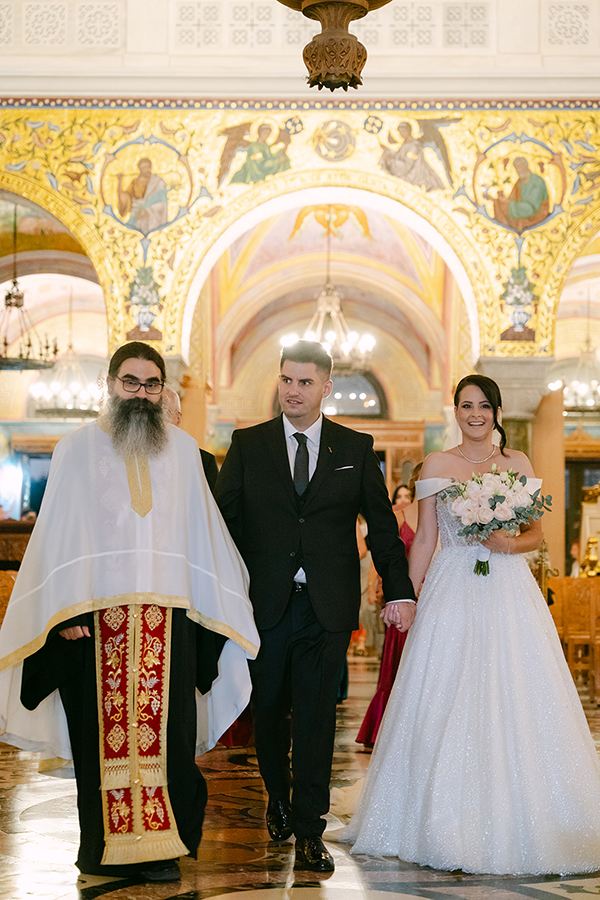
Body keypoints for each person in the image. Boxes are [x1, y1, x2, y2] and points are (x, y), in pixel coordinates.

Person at [0, 341, 259, 883]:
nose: (141, 394)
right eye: (131, 382)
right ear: (111, 384)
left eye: (152, 384)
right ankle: (102, 854)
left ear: (164, 389)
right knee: (99, 742)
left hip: (169, 624)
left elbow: (203, 536)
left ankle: (161, 850)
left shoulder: (184, 451)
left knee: (170, 741)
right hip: (94, 624)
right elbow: (57, 538)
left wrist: (213, 605)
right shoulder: (75, 449)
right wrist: (61, 612)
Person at [333, 374, 600, 875]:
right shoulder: (436, 464)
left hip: (508, 590)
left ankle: (523, 808)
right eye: (465, 405)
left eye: (483, 406)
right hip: (452, 586)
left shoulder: (517, 463)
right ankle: (434, 813)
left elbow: (537, 534)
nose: (475, 414)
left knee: (515, 686)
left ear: (496, 412)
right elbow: (426, 539)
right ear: (455, 411)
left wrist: (507, 543)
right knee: (445, 687)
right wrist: (405, 596)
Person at [215, 339, 416, 873]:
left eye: (305, 382)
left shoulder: (355, 447)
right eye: (286, 380)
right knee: (267, 712)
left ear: (326, 387)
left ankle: (310, 829)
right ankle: (276, 795)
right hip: (265, 605)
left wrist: (400, 589)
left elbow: (383, 529)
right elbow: (223, 524)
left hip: (326, 607)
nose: (293, 391)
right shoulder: (249, 445)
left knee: (316, 718)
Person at [356, 474, 420, 747]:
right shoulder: (398, 516)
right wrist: (378, 585)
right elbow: (384, 554)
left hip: (435, 596)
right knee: (398, 663)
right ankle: (389, 729)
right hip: (406, 593)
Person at [162, 386, 219, 493]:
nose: (159, 420)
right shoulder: (135, 458)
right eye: (153, 414)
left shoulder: (204, 462)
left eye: (166, 413)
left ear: (178, 419)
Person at [486, 156, 550, 233]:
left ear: (526, 166)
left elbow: (532, 209)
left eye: (520, 167)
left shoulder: (537, 182)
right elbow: (512, 200)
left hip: (537, 217)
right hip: (521, 213)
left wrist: (507, 202)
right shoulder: (519, 182)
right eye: (516, 168)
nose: (518, 170)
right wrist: (495, 200)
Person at [379, 122, 444, 192]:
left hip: (415, 175)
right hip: (407, 172)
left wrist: (390, 160)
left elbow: (407, 167)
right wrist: (387, 149)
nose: (401, 134)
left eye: (403, 131)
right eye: (400, 131)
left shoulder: (414, 147)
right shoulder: (405, 144)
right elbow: (399, 155)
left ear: (409, 131)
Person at [116, 157, 168, 234]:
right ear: (140, 169)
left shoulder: (158, 182)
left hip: (153, 218)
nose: (146, 169)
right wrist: (119, 182)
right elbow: (125, 199)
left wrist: (147, 211)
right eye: (143, 168)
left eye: (147, 167)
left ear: (150, 167)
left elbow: (162, 203)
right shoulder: (135, 183)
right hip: (137, 216)